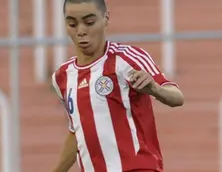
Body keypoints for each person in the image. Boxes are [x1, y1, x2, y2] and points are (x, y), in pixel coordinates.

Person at [51, 0, 184, 172]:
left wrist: (155, 89)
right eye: (72, 24)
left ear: (106, 18)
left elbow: (177, 97)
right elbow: (78, 131)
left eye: (89, 22)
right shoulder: (62, 76)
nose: (81, 31)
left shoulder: (127, 59)